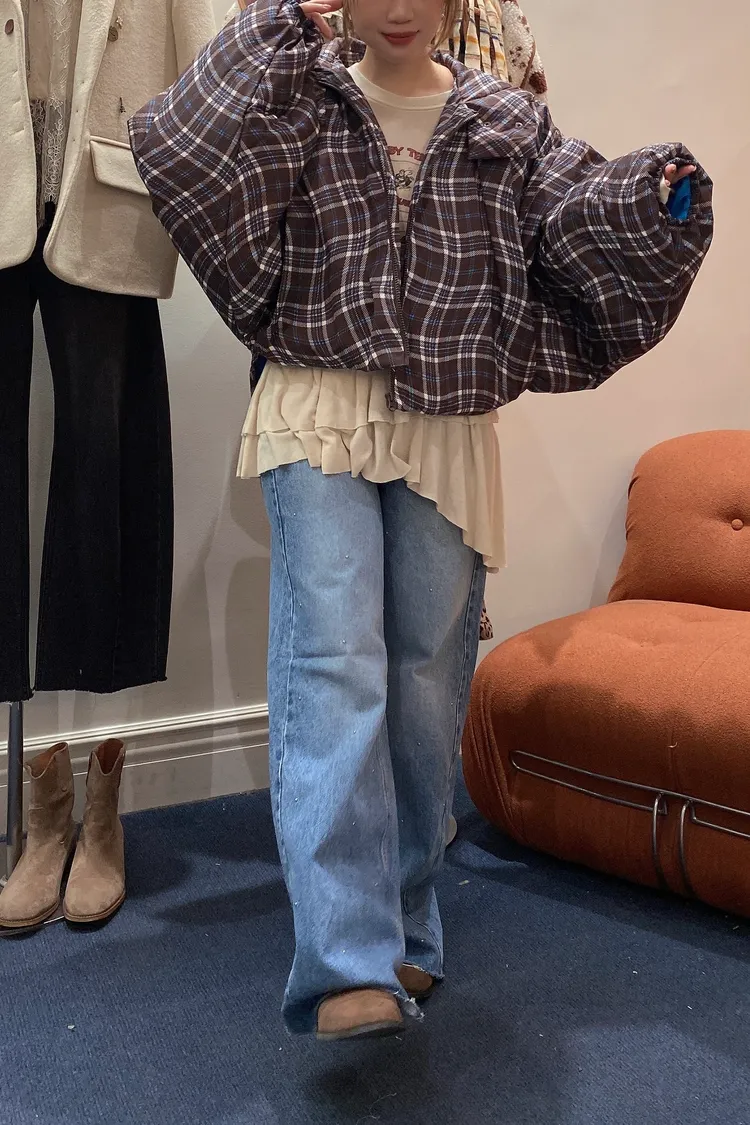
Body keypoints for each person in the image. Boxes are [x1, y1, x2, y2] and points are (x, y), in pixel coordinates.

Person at [129, 0, 712, 1041]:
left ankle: (405, 926)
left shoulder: (504, 119)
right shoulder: (300, 92)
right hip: (317, 405)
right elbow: (184, 145)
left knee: (424, 676)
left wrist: (649, 195)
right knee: (332, 661)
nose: (397, 6)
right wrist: (276, 29)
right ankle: (344, 956)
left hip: (446, 420)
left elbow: (572, 220)